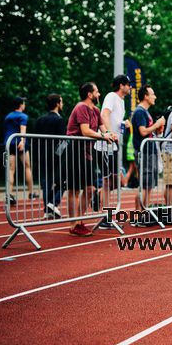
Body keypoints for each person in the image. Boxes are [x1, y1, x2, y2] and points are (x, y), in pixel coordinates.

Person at [66, 82, 117, 236]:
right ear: (89, 94)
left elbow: (103, 129)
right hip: (74, 151)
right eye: (97, 91)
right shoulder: (81, 107)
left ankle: (80, 221)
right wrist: (103, 136)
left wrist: (111, 134)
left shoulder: (95, 110)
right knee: (74, 190)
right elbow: (85, 131)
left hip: (87, 153)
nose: (99, 94)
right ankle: (74, 224)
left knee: (90, 189)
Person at [97, 74, 131, 229]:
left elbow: (115, 120)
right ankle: (106, 217)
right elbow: (104, 114)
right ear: (121, 85)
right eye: (128, 85)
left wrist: (123, 124)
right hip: (105, 145)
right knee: (107, 181)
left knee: (119, 181)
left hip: (114, 145)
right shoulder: (111, 96)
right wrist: (109, 133)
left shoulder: (122, 101)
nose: (130, 87)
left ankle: (98, 196)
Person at [131, 85, 165, 215]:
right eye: (153, 94)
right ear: (145, 96)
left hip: (150, 152)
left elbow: (148, 131)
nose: (155, 96)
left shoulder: (145, 112)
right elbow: (143, 131)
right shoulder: (140, 112)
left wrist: (158, 129)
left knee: (149, 185)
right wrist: (156, 125)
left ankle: (144, 212)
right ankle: (138, 214)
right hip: (144, 152)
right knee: (144, 185)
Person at [35, 94, 67, 219]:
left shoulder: (40, 120)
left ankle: (48, 210)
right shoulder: (59, 120)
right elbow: (62, 141)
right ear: (58, 104)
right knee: (63, 180)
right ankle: (53, 203)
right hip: (55, 156)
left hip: (41, 155)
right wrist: (61, 156)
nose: (62, 104)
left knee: (46, 183)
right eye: (62, 102)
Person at [4, 96, 38, 205]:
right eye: (23, 103)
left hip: (9, 142)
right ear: (20, 105)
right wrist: (22, 141)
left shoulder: (8, 116)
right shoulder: (23, 116)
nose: (24, 105)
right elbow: (22, 130)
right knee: (27, 167)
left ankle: (8, 195)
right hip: (19, 143)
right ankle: (31, 193)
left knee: (10, 170)